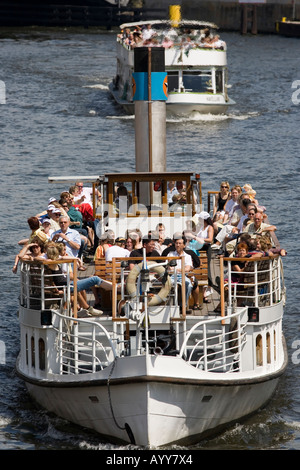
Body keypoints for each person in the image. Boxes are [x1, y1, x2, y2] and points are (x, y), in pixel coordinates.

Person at [167, 236, 193, 307]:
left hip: (183, 276)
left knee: (189, 285)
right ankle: (170, 305)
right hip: (172, 276)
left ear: (184, 245)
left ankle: (184, 305)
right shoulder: (170, 254)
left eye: (180, 243)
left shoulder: (187, 256)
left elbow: (187, 269)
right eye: (176, 243)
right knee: (168, 285)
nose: (178, 245)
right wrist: (181, 269)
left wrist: (177, 269)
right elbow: (170, 267)